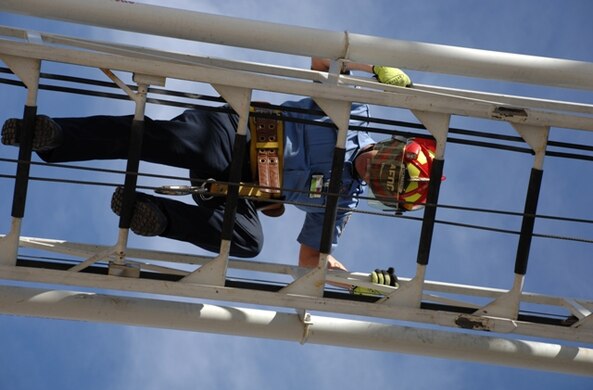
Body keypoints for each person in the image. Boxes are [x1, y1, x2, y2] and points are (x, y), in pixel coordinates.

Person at [2, 58, 426, 281]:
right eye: (389, 168)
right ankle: (55, 136)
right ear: (393, 147)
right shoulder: (355, 111)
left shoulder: (343, 203)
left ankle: (155, 215)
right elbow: (322, 61)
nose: (375, 174)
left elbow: (311, 258)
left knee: (246, 241)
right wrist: (371, 69)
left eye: (384, 185)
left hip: (240, 189)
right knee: (157, 139)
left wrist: (348, 280)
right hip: (236, 135)